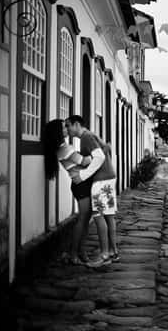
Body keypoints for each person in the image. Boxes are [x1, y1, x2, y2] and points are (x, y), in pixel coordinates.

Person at [66, 115, 119, 268]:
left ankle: (104, 255)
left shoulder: (86, 137)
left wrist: (83, 175)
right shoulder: (91, 135)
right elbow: (103, 152)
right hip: (109, 176)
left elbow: (99, 157)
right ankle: (113, 252)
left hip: (101, 179)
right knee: (109, 216)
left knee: (98, 215)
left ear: (77, 124)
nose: (67, 129)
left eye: (68, 126)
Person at [43, 119, 93, 265]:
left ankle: (81, 251)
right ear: (58, 132)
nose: (67, 129)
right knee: (83, 220)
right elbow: (84, 161)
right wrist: (99, 153)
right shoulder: (64, 148)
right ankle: (73, 254)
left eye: (67, 126)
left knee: (86, 219)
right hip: (81, 185)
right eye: (64, 127)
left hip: (82, 183)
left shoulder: (63, 147)